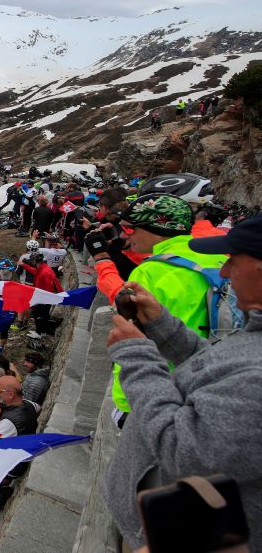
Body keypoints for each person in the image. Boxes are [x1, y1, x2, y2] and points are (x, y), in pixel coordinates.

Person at [102, 216, 262, 550]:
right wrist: (163, 327)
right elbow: (218, 370)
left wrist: (137, 356)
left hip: (177, 535)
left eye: (233, 260)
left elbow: (187, 452)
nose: (223, 272)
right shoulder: (254, 337)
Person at [103, 194, 225, 422]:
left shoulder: (150, 272)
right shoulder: (216, 257)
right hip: (213, 381)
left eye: (129, 229)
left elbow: (134, 339)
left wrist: (123, 402)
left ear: (155, 227)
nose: (122, 235)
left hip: (162, 392)